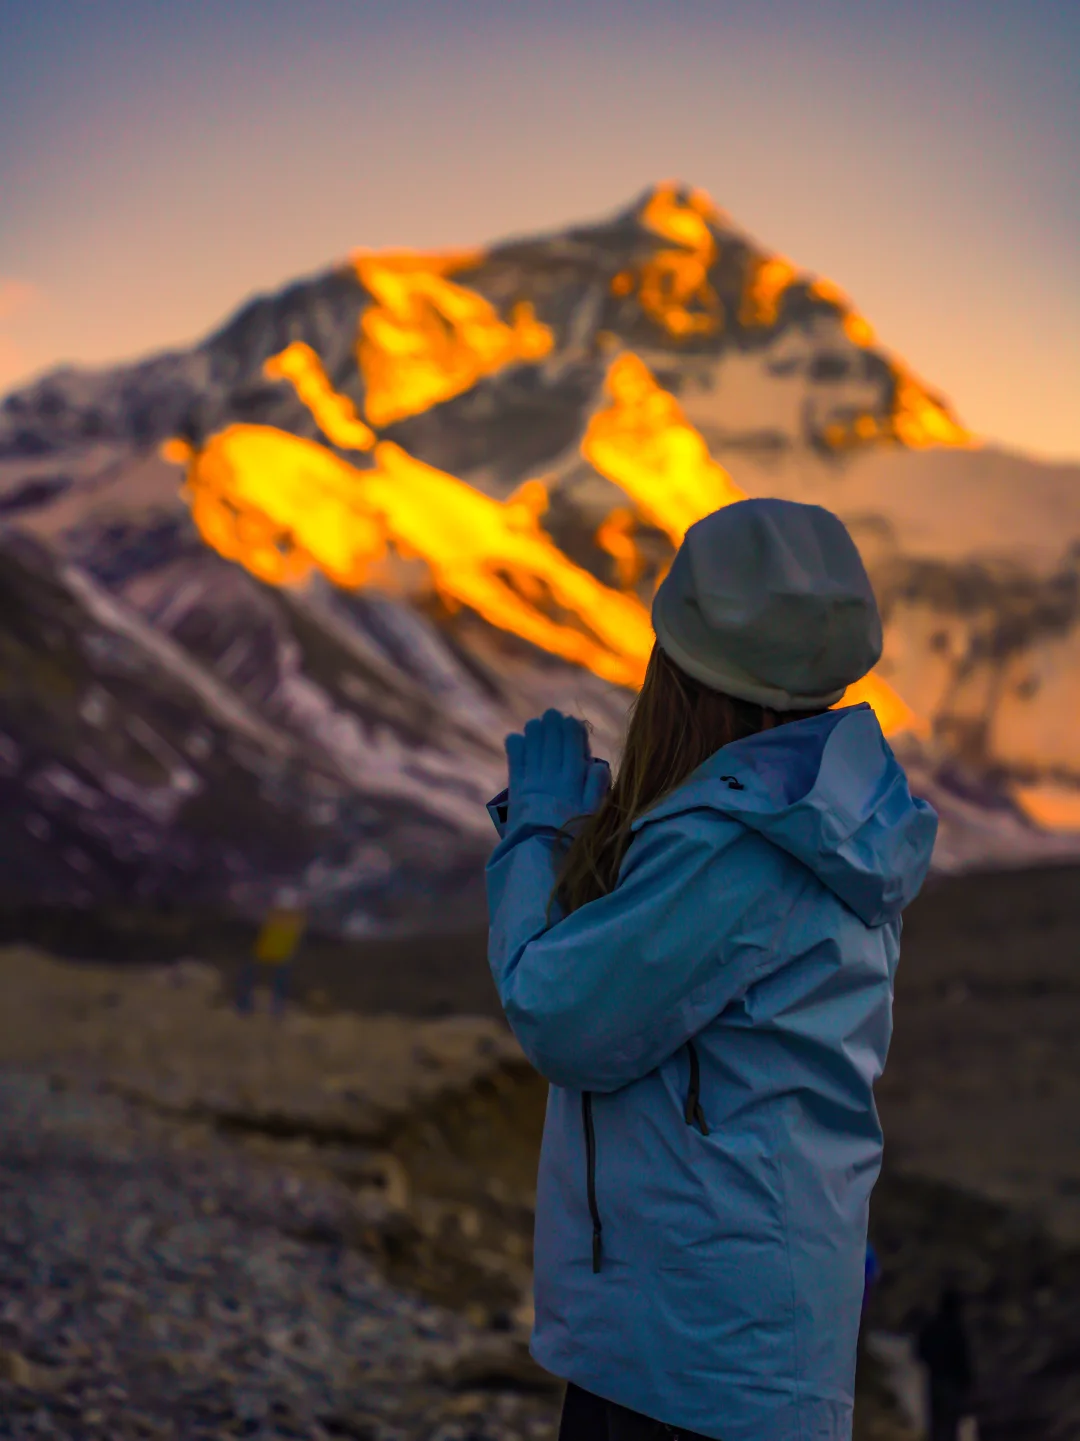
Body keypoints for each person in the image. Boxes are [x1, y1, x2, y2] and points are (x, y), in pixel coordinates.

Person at [484, 499, 938, 1441]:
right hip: (747, 1344)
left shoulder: (738, 847)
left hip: (685, 1354)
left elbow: (559, 1012)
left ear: (683, 670)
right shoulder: (830, 810)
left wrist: (535, 832)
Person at [236, 888, 306, 1016]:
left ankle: (245, 1006)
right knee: (279, 984)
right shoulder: (297, 918)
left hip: (265, 952)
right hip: (280, 955)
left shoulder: (274, 914)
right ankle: (276, 1009)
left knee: (249, 978)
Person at [917, 1287, 975, 1441]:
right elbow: (963, 1359)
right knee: (950, 1426)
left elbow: (919, 1351)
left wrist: (932, 1364)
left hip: (935, 1382)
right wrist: (967, 1383)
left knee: (936, 1424)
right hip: (952, 1385)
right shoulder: (957, 1329)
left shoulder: (932, 1326)